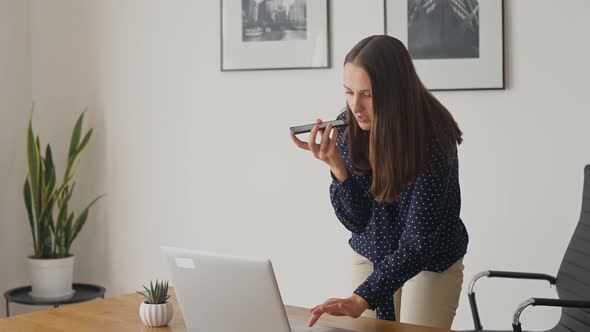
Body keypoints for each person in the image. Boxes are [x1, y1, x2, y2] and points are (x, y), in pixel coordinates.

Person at [290, 35, 469, 329]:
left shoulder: (434, 138)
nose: (356, 106)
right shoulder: (350, 128)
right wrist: (338, 169)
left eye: (368, 95)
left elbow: (418, 243)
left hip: (430, 262)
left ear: (396, 91)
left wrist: (362, 298)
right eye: (349, 92)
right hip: (372, 253)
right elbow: (358, 220)